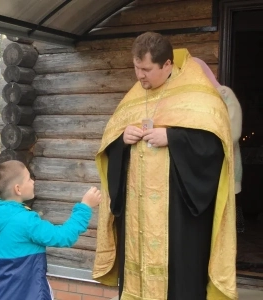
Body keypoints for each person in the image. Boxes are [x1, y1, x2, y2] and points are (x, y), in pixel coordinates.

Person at [92, 32, 237, 300]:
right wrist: (122, 140)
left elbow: (215, 148)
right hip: (137, 212)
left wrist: (173, 137)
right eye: (136, 68)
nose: (140, 76)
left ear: (167, 64)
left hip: (178, 212)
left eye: (146, 69)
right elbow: (110, 146)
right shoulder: (134, 96)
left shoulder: (199, 95)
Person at [0, 160, 101, 300]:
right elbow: (63, 236)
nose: (33, 181)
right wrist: (85, 207)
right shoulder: (26, 221)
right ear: (18, 189)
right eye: (29, 178)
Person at [193, 57, 244, 233]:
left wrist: (200, 142)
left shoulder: (224, 94)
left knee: (225, 228)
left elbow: (233, 132)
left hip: (224, 167)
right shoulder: (193, 99)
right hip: (202, 173)